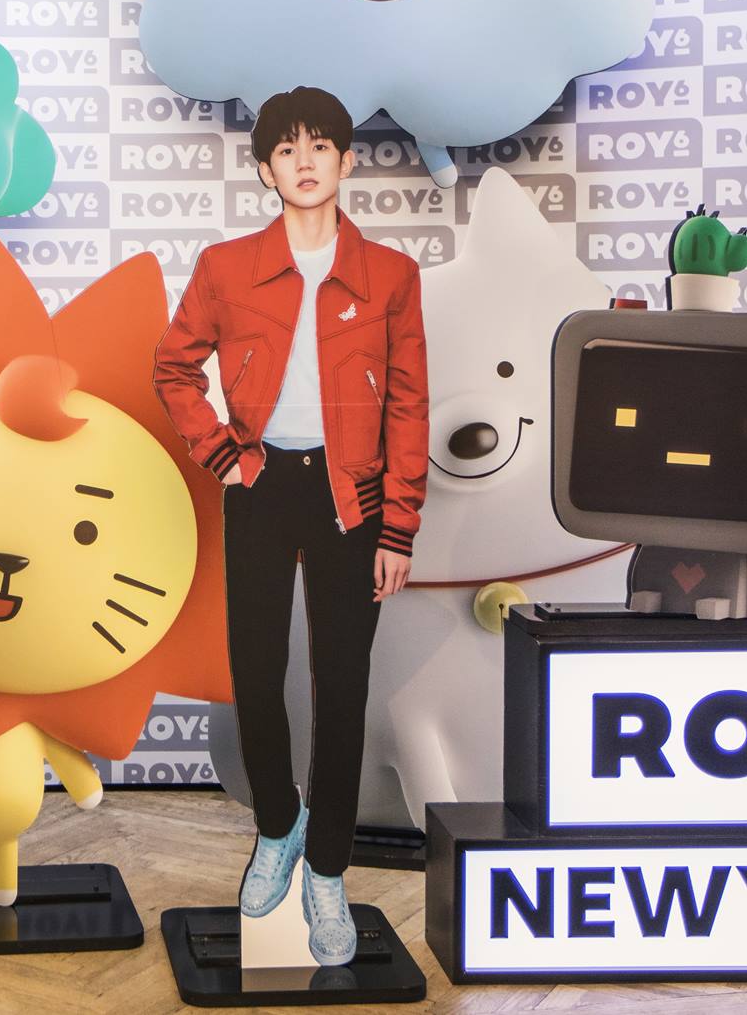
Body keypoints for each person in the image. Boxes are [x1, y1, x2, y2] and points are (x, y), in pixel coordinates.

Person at [153, 86, 429, 966]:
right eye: (285, 148)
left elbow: (410, 406)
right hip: (262, 482)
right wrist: (220, 453)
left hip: (355, 497)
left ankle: (330, 870)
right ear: (267, 168)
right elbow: (173, 367)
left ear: (347, 161)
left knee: (343, 685)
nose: (304, 161)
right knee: (255, 670)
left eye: (319, 146)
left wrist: (398, 528)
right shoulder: (226, 266)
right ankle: (279, 823)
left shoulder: (392, 275)